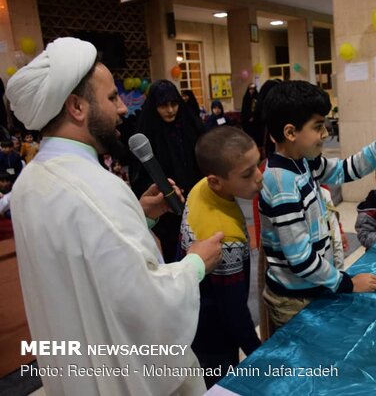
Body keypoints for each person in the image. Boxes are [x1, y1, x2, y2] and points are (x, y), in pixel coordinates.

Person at [6, 37, 225, 395]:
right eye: (111, 98)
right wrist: (196, 264)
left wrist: (138, 215)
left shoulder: (32, 178)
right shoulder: (99, 189)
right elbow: (146, 301)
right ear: (77, 107)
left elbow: (81, 253)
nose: (123, 108)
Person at [259, 80, 376, 328]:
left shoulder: (303, 161)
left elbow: (345, 170)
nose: (325, 134)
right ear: (290, 132)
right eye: (317, 127)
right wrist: (347, 283)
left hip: (314, 286)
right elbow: (301, 260)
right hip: (296, 299)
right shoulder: (283, 184)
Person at [178, 126, 262, 388]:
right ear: (216, 180)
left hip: (191, 319)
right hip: (214, 335)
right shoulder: (224, 238)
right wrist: (260, 356)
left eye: (258, 165)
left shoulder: (201, 187)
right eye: (247, 174)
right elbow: (234, 311)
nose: (259, 178)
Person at [131, 79, 204, 262]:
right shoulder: (147, 133)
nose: (170, 110)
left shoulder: (190, 126)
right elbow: (139, 174)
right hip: (165, 211)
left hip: (196, 204)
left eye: (174, 104)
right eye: (163, 105)